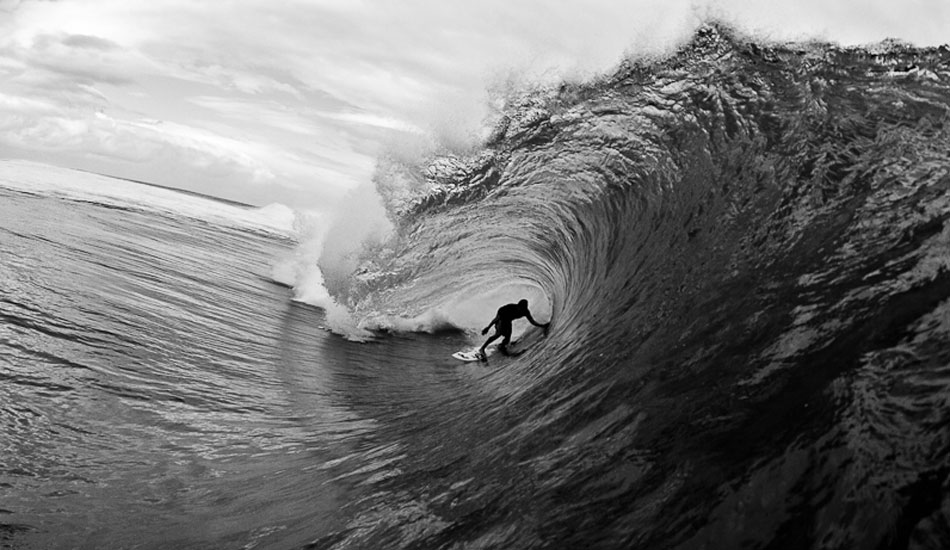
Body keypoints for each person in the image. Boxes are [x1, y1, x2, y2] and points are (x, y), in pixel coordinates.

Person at [478, 299, 549, 360]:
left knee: (507, 338)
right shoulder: (509, 308)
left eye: (524, 308)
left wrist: (542, 325)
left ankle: (501, 346)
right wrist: (488, 327)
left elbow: (532, 321)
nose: (521, 310)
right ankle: (482, 348)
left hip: (508, 321)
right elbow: (496, 319)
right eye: (520, 308)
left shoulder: (526, 311)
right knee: (498, 334)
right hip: (501, 317)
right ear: (518, 306)